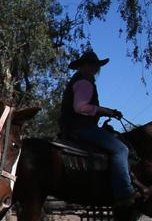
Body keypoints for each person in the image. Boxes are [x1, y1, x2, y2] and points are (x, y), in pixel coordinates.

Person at [57, 49, 137, 207]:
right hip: (81, 128)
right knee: (121, 150)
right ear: (82, 66)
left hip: (72, 127)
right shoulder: (85, 82)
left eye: (95, 65)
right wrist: (107, 111)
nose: (93, 68)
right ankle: (125, 192)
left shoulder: (78, 80)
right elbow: (80, 107)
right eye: (90, 65)